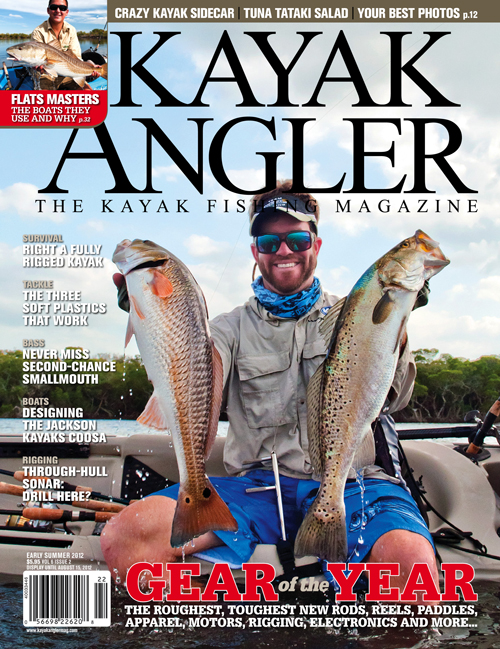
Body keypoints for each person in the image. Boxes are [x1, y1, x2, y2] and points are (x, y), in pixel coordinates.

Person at [102, 181, 439, 600]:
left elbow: (396, 399)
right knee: (126, 538)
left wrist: (396, 322)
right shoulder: (225, 329)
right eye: (269, 240)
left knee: (410, 561)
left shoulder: (356, 313)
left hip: (350, 481)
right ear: (255, 251)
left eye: (297, 237)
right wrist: (155, 315)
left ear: (316, 244)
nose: (284, 250)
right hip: (257, 489)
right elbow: (197, 382)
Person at [31, 0, 99, 88]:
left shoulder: (71, 30)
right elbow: (36, 59)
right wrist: (37, 66)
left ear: (66, 12)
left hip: (69, 73)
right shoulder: (38, 32)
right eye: (54, 7)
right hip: (46, 75)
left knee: (89, 95)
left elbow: (76, 58)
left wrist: (89, 70)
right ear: (48, 10)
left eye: (62, 8)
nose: (58, 11)